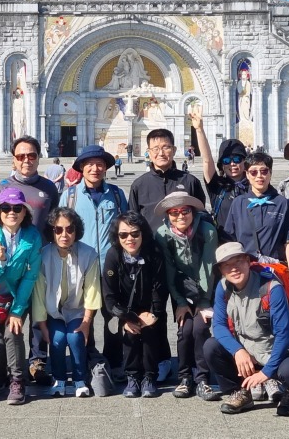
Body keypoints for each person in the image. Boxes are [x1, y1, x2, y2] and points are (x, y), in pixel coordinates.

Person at [128, 128, 205, 381]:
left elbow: (202, 216)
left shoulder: (189, 181)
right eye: (156, 148)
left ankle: (192, 366)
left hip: (187, 263)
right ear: (147, 152)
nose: (161, 152)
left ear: (175, 149)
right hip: (153, 262)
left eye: (166, 147)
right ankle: (161, 360)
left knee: (190, 314)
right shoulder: (139, 185)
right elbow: (133, 223)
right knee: (157, 313)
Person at [0, 135, 59, 383]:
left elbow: (55, 223)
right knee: (9, 312)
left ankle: (37, 361)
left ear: (39, 157)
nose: (26, 160)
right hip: (10, 264)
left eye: (31, 155)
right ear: (13, 159)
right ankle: (10, 363)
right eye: (21, 156)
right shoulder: (2, 187)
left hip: (39, 259)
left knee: (39, 311)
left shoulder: (49, 188)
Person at [205, 242, 289, 416]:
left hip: (275, 350)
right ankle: (240, 392)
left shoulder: (272, 288)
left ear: (248, 261)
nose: (234, 269)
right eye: (226, 265)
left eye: (238, 262)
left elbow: (284, 335)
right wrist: (237, 351)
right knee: (211, 347)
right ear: (221, 270)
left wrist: (266, 372)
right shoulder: (223, 287)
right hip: (246, 349)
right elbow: (219, 325)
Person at [59, 145, 127, 369]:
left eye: (99, 164)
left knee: (114, 317)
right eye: (89, 165)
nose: (95, 169)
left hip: (111, 266)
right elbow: (60, 230)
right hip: (80, 265)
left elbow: (125, 227)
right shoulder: (69, 196)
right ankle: (87, 359)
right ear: (81, 168)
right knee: (81, 317)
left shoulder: (116, 195)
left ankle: (114, 362)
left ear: (106, 168)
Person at [0, 187, 42, 404]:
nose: (11, 212)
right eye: (6, 208)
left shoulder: (32, 237)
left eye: (17, 208)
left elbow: (30, 277)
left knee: (12, 333)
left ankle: (17, 380)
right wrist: (0, 261)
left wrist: (17, 310)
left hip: (15, 296)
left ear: (25, 213)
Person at [154, 192, 220, 401]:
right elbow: (169, 269)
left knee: (200, 328)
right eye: (174, 212)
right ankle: (184, 377)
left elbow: (207, 267)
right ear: (167, 215)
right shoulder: (162, 233)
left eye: (185, 211)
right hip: (181, 288)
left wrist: (202, 301)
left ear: (193, 211)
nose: (180, 216)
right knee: (184, 330)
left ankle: (202, 378)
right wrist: (180, 302)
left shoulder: (207, 230)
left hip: (206, 287)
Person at [32, 207, 100, 398]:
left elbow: (92, 289)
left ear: (76, 230)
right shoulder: (42, 255)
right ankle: (59, 379)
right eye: (58, 230)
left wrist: (87, 322)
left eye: (69, 229)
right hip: (53, 312)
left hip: (77, 311)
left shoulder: (89, 254)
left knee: (75, 337)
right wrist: (42, 325)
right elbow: (38, 293)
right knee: (57, 339)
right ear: (51, 231)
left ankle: (80, 379)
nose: (64, 234)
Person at [101, 211, 167, 398]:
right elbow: (109, 296)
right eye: (123, 235)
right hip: (125, 308)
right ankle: (132, 376)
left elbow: (160, 289)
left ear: (143, 233)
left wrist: (153, 314)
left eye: (135, 233)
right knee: (130, 332)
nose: (130, 238)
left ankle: (149, 376)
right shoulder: (113, 255)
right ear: (117, 236)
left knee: (150, 331)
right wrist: (126, 318)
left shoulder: (154, 252)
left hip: (149, 306)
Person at [222, 152, 289, 280]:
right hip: (244, 271)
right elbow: (230, 239)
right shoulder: (238, 202)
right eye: (253, 172)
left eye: (264, 171)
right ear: (247, 174)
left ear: (270, 173)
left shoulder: (281, 203)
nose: (259, 176)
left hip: (272, 269)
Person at [191, 103, 247, 228]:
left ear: (244, 162)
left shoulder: (255, 185)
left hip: (252, 245)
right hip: (224, 244)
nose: (232, 164)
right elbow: (207, 160)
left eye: (237, 159)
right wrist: (199, 130)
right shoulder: (217, 186)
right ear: (222, 165)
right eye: (226, 161)